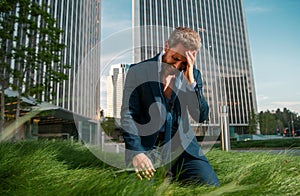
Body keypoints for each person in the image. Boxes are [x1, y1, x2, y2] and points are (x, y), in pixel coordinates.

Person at [121, 27, 220, 186]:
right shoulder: (137, 71)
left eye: (184, 62)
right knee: (143, 189)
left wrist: (190, 82)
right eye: (175, 58)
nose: (177, 66)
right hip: (147, 147)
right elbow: (129, 114)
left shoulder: (193, 75)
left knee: (211, 186)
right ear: (166, 46)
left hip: (183, 149)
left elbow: (201, 116)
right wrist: (137, 152)